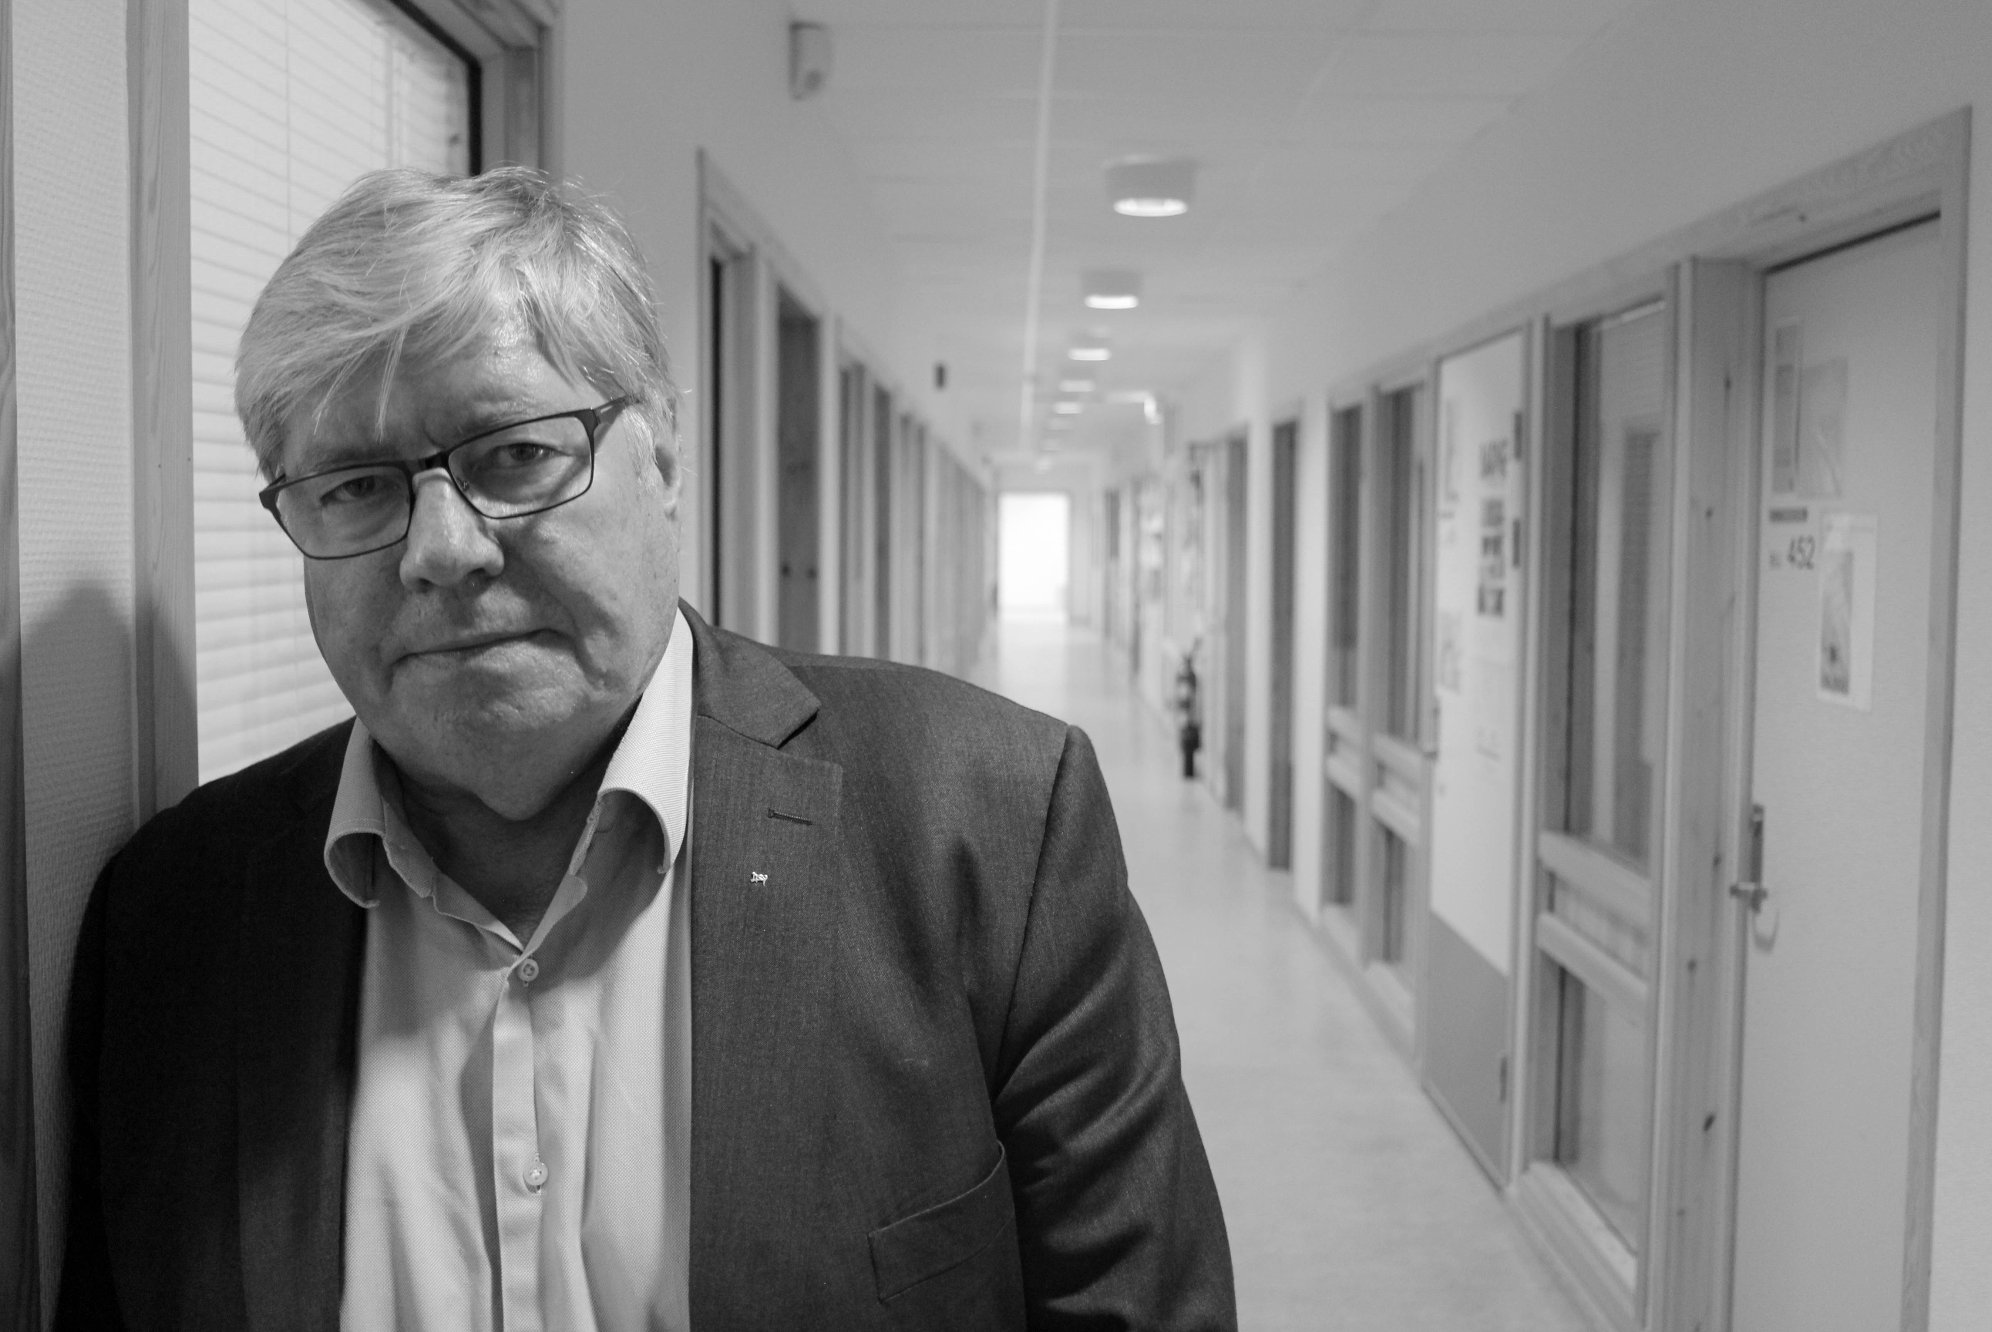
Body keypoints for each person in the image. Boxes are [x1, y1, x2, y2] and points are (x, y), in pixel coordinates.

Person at [57, 167, 1234, 1331]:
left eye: (514, 454)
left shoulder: (984, 828)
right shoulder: (176, 918)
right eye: (357, 486)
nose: (444, 550)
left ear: (662, 456)